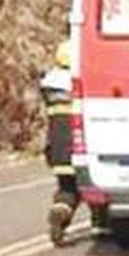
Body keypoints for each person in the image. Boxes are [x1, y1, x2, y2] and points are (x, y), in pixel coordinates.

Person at [40, 40, 81, 244]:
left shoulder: (50, 86)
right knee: (85, 189)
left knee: (66, 186)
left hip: (56, 147)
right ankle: (100, 223)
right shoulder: (78, 84)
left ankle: (59, 211)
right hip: (78, 146)